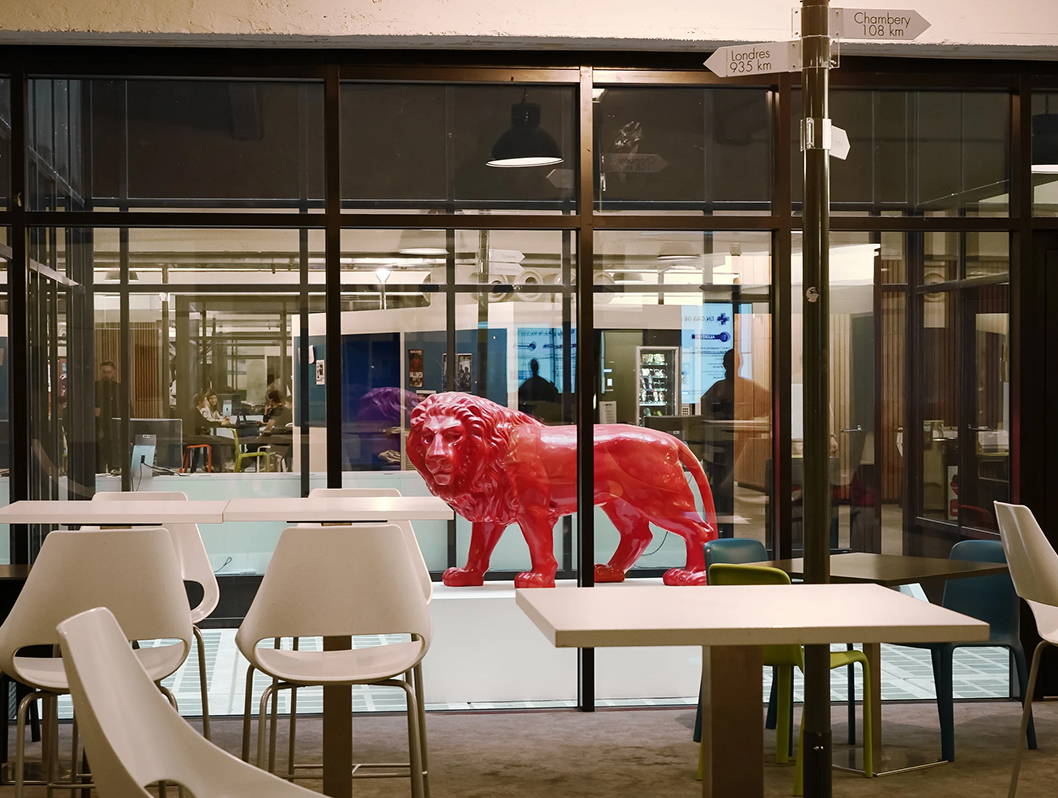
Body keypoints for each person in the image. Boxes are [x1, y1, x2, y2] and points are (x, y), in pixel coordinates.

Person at [94, 360, 128, 473]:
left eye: (109, 372)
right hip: (97, 430)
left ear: (113, 372)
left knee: (115, 463)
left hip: (115, 431)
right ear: (99, 372)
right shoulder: (93, 388)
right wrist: (91, 412)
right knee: (98, 465)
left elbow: (127, 409)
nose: (106, 374)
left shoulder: (120, 389)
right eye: (104, 372)